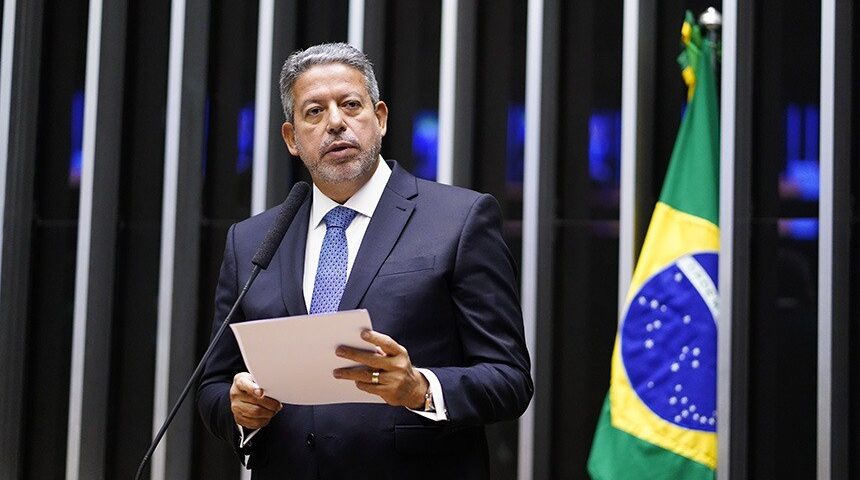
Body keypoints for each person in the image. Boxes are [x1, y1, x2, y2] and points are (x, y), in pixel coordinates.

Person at [197, 42, 533, 479]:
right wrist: (236, 408)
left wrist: (421, 388)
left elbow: (509, 379)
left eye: (350, 105)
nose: (335, 122)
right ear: (292, 139)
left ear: (380, 118)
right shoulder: (252, 240)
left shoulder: (460, 220)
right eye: (314, 112)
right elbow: (211, 385)